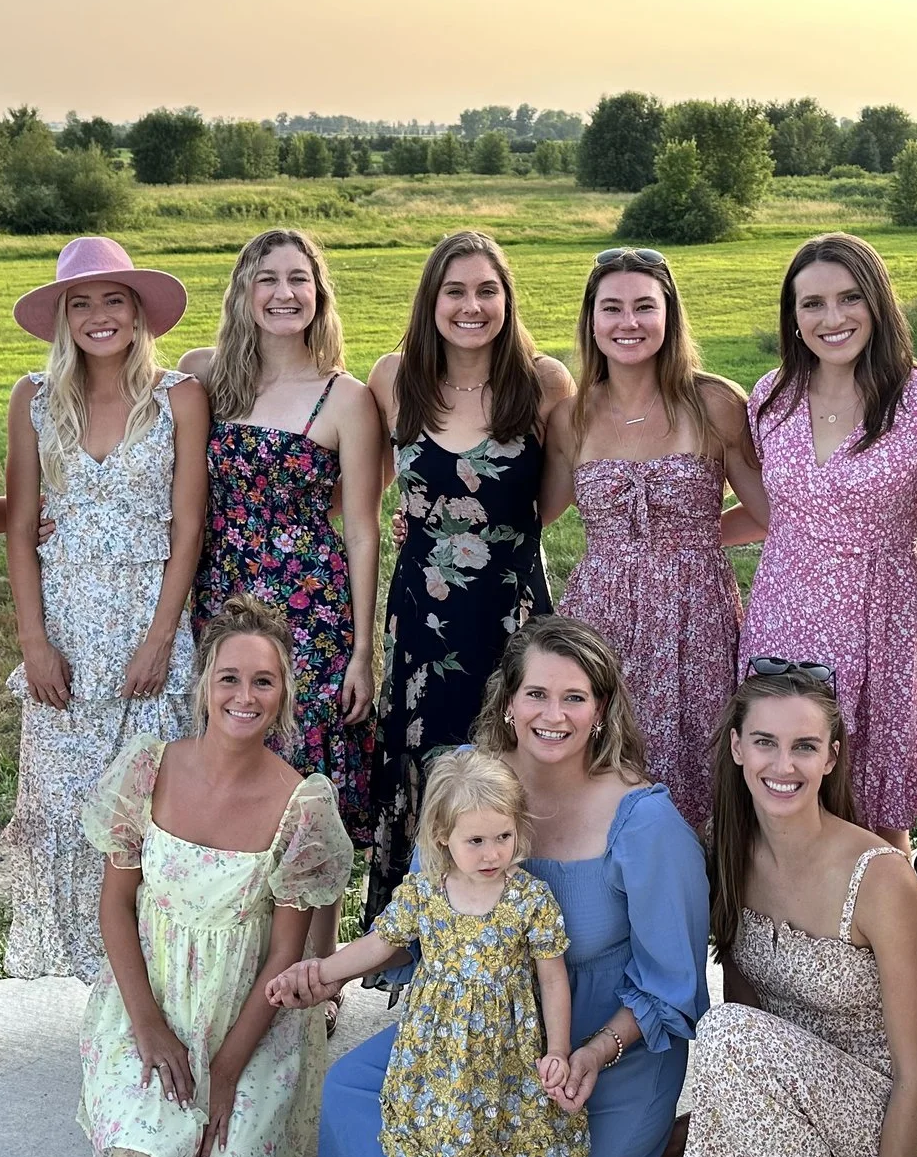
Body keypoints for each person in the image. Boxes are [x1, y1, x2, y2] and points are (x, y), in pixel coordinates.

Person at [318, 616, 711, 1157]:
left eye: (574, 697)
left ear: (602, 709)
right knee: (345, 1094)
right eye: (537, 694)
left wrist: (590, 1052)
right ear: (508, 700)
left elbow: (671, 986)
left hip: (600, 1049)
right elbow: (415, 925)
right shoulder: (466, 791)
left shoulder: (646, 825)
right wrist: (323, 970)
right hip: (476, 1030)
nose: (553, 714)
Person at [650, 661, 917, 1157]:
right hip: (785, 1112)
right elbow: (746, 1000)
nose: (781, 763)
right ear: (736, 747)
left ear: (831, 755)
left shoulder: (880, 878)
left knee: (725, 1031)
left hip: (890, 1113)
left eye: (803, 745)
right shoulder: (729, 849)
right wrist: (733, 1111)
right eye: (763, 741)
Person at [272, 750, 592, 1157]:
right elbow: (375, 946)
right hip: (435, 1052)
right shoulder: (425, 894)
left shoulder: (529, 900)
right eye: (477, 840)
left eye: (504, 836)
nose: (493, 852)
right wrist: (320, 969)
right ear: (444, 838)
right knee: (428, 1141)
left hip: (508, 1063)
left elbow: (553, 979)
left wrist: (559, 1048)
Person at [76, 597, 356, 1157]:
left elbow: (286, 956)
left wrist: (227, 1069)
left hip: (248, 1016)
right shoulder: (150, 769)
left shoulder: (301, 805)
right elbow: (115, 907)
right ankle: (172, 1141)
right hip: (158, 998)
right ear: (204, 683)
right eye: (229, 677)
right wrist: (147, 1024)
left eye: (263, 681)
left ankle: (235, 1155)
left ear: (283, 693)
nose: (244, 695)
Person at [0, 235, 209, 984]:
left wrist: (160, 640)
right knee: (68, 807)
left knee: (147, 812)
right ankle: (101, 984)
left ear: (137, 311)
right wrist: (33, 640)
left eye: (113, 299)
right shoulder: (34, 396)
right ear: (62, 315)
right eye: (80, 302)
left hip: (146, 621)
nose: (98, 315)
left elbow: (189, 526)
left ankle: (153, 984)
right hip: (66, 626)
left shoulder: (178, 395)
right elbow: (22, 525)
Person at [736, 233, 917, 849]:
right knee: (780, 789)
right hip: (780, 616)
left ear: (878, 304)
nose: (832, 318)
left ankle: (888, 936)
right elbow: (782, 511)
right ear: (792, 317)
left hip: (879, 623)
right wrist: (682, 538)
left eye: (849, 298)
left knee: (875, 809)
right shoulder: (772, 396)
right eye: (811, 303)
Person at [179, 227, 383, 964]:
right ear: (243, 290)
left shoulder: (347, 398)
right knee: (234, 759)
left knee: (315, 776)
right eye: (267, 278)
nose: (284, 293)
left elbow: (362, 529)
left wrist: (364, 649)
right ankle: (244, 940)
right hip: (223, 603)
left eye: (299, 279)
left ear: (319, 294)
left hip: (312, 613)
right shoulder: (204, 375)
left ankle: (319, 961)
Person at [364, 230, 574, 920]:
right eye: (455, 290)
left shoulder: (542, 383)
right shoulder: (394, 378)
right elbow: (377, 487)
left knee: (512, 765)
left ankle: (515, 941)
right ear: (431, 300)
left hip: (511, 611)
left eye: (487, 289)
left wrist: (483, 528)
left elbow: (555, 498)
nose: (471, 305)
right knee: (427, 767)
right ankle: (423, 949)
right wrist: (419, 523)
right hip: (420, 617)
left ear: (507, 299)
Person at [548, 246, 766, 837]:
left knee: (697, 768)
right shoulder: (571, 417)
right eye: (611, 308)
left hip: (694, 616)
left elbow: (772, 514)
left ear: (669, 315)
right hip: (601, 616)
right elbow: (533, 514)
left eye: (645, 307)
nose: (629, 323)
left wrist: (694, 538)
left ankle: (700, 909)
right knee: (602, 763)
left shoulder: (714, 402)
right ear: (591, 320)